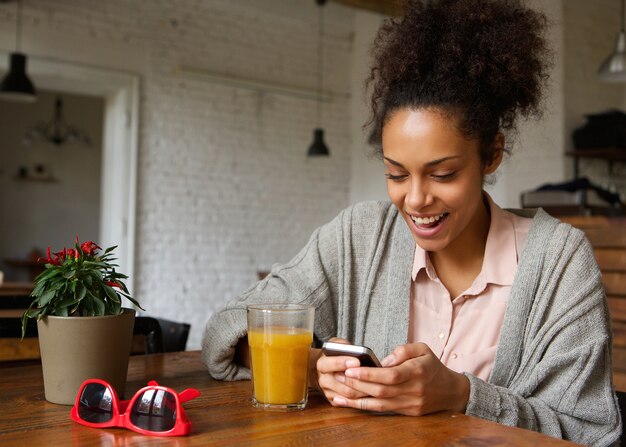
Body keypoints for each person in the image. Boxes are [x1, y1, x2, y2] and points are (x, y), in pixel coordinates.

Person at [202, 0, 621, 444]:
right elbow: (226, 328)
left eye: (443, 174)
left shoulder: (558, 261)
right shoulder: (359, 237)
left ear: (491, 154)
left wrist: (461, 395)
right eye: (396, 174)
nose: (416, 199)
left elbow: (589, 430)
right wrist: (307, 366)